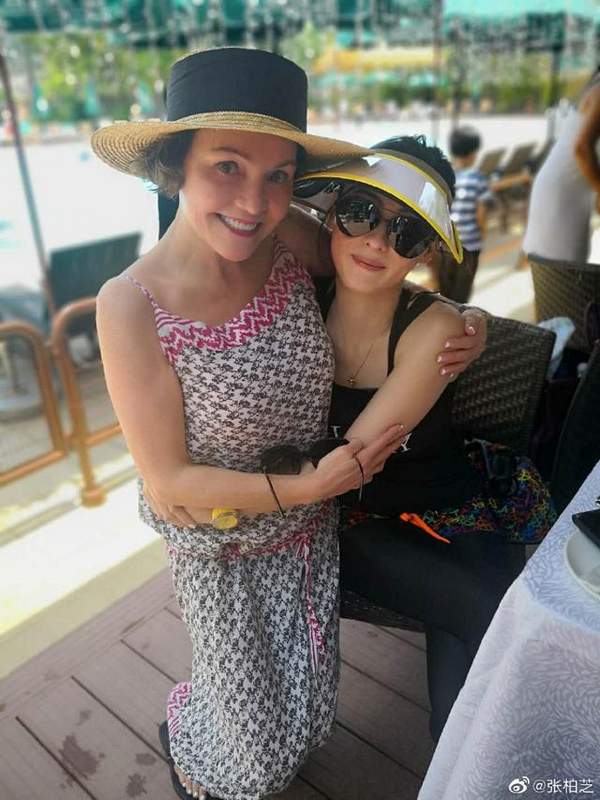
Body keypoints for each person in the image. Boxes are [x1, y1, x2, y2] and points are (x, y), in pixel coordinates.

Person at [92, 49, 485, 800]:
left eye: (278, 176)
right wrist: (307, 488)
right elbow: (169, 481)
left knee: (307, 720)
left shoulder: (284, 239)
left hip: (313, 533)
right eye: (227, 166)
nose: (254, 201)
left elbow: (375, 271)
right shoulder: (131, 304)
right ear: (176, 165)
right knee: (252, 763)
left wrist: (466, 318)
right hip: (225, 545)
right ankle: (187, 736)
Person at [292, 135, 556, 741]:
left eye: (407, 231)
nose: (378, 242)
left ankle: (481, 767)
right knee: (493, 611)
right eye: (361, 212)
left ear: (428, 248)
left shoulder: (435, 327)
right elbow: (253, 206)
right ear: (331, 213)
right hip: (353, 524)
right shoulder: (296, 299)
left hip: (449, 510)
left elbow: (351, 460)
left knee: (480, 644)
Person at [523, 67, 600, 263]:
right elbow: (582, 149)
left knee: (568, 272)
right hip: (561, 194)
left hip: (572, 194)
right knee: (563, 274)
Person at [446, 125, 492, 300]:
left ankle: (443, 313)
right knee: (462, 290)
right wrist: (483, 234)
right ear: (473, 154)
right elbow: (481, 213)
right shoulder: (477, 178)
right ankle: (457, 315)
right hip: (470, 246)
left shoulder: (446, 176)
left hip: (446, 244)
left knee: (445, 289)